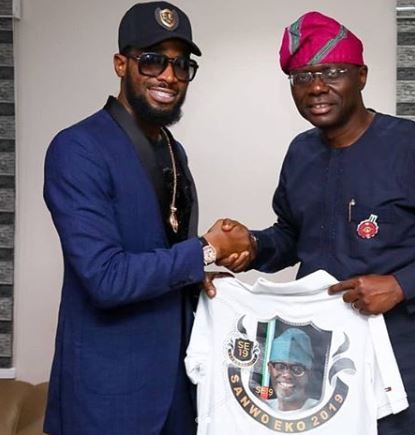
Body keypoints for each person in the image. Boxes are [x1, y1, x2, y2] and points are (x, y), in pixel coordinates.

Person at [213, 11, 415, 435]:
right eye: (302, 76)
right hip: (315, 369)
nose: (316, 87)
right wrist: (253, 247)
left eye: (332, 72)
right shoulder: (300, 153)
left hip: (395, 365)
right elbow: (292, 236)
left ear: (361, 76)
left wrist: (401, 285)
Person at [42, 2, 252, 434]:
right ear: (122, 64)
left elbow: (162, 252)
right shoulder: (78, 148)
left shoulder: (174, 151)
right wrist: (206, 250)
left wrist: (198, 275)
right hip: (107, 398)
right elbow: (105, 278)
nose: (169, 76)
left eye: (181, 64)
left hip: (180, 390)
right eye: (153, 60)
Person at [266, 328, 318, 412]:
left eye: (297, 369)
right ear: (270, 368)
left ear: (309, 374)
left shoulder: (319, 409)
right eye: (280, 367)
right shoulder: (262, 407)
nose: (287, 375)